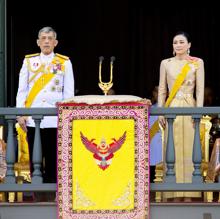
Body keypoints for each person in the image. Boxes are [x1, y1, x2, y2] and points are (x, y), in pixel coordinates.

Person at [16, 26, 75, 184]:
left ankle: (51, 193)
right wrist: (20, 114)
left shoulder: (64, 62)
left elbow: (68, 94)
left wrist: (66, 118)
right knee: (34, 159)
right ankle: (36, 192)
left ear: (55, 42)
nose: (46, 41)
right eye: (43, 38)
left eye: (50, 38)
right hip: (32, 118)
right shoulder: (29, 61)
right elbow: (22, 90)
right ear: (38, 42)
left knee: (53, 157)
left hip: (54, 119)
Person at [158, 31, 205, 201]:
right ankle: (173, 193)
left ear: (189, 45)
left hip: (190, 107)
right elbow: (162, 90)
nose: (178, 45)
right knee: (173, 147)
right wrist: (161, 112)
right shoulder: (166, 63)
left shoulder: (197, 63)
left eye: (181, 42)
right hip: (172, 108)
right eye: (175, 42)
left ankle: (189, 193)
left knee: (190, 148)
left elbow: (200, 90)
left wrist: (198, 112)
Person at [149, 85, 162, 183]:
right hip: (153, 144)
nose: (159, 94)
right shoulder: (149, 109)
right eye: (157, 91)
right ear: (153, 94)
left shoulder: (172, 108)